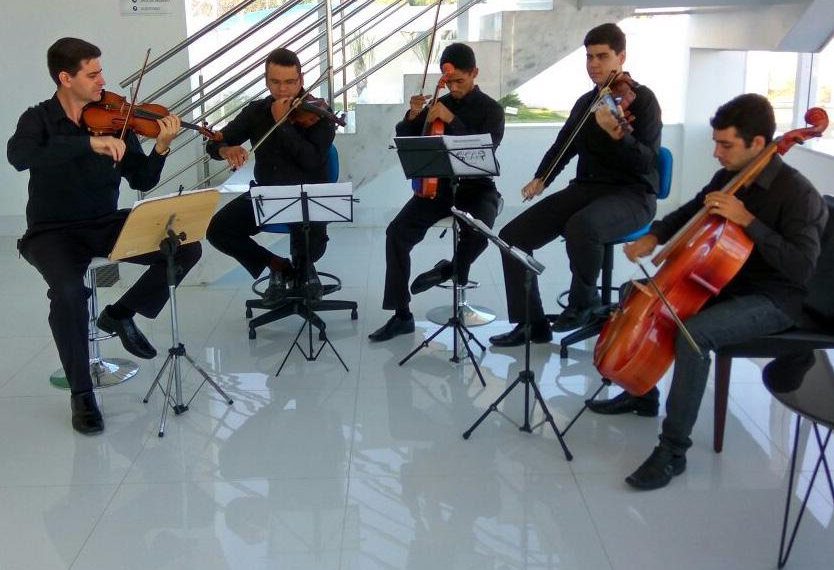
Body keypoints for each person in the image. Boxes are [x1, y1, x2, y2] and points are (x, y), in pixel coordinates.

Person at [587, 93, 828, 490]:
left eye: (725, 144)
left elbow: (802, 268)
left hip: (775, 298)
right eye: (716, 142)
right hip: (723, 281)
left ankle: (672, 451)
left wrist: (749, 221)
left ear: (757, 144)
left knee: (694, 335)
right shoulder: (731, 177)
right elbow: (695, 210)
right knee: (642, 292)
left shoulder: (799, 195)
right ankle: (641, 390)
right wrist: (655, 235)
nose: (716, 152)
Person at [7, 37, 200, 435]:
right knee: (69, 294)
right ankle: (82, 395)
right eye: (92, 74)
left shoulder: (118, 120)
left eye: (101, 72)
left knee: (184, 248)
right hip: (52, 233)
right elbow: (19, 157)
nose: (102, 81)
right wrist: (87, 143)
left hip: (104, 223)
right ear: (66, 78)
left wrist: (161, 147)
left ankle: (121, 313)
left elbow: (142, 178)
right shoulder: (38, 120)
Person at [489, 23, 662, 348]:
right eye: (589, 57)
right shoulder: (588, 102)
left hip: (633, 195)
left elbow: (646, 163)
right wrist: (542, 178)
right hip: (587, 190)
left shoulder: (642, 102)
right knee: (511, 238)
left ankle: (585, 302)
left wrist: (620, 135)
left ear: (621, 56)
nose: (593, 64)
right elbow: (564, 145)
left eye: (602, 56)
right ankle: (531, 323)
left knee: (583, 225)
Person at [368, 43, 505, 342]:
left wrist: (453, 120)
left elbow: (488, 147)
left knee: (481, 231)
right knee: (396, 233)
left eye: (460, 81)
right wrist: (414, 114)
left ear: (474, 74)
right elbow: (406, 138)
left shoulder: (491, 109)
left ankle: (449, 269)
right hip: (439, 189)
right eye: (449, 83)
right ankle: (401, 314)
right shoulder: (436, 105)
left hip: (478, 189)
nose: (454, 89)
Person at [205, 47, 336, 304]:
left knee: (310, 240)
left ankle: (304, 270)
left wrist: (283, 124)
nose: (283, 89)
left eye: (290, 82)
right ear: (266, 81)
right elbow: (215, 144)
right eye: (275, 82)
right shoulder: (255, 112)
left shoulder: (318, 113)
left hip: (308, 195)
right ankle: (276, 265)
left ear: (301, 80)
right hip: (266, 195)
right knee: (218, 230)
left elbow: (311, 161)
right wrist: (226, 149)